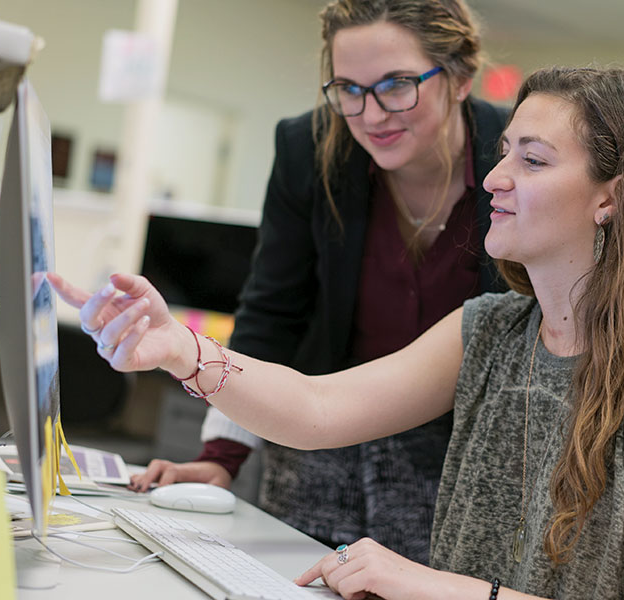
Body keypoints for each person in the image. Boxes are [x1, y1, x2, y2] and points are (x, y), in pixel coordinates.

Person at [51, 65, 624, 599]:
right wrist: (183, 350)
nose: (495, 179)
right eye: (505, 154)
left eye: (532, 160)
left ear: (611, 199)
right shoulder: (493, 329)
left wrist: (433, 587)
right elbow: (317, 411)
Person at [128, 0, 508, 565]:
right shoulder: (310, 150)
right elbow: (271, 311)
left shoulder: (515, 157)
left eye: (397, 85)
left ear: (459, 78)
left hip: (469, 460)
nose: (371, 114)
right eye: (348, 89)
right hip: (322, 440)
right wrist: (222, 454)